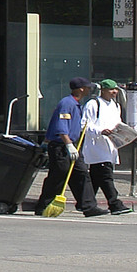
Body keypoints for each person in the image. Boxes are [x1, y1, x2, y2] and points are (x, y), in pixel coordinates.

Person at [36, 77, 101, 216]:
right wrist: (69, 145)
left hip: (73, 145)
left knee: (82, 174)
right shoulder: (67, 103)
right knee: (58, 176)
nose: (89, 90)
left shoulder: (77, 105)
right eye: (87, 87)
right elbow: (61, 127)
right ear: (81, 89)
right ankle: (44, 206)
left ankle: (89, 206)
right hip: (62, 147)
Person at [81, 79, 133, 215]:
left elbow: (118, 124)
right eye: (111, 89)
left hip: (111, 146)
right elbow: (84, 125)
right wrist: (100, 131)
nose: (114, 92)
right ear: (102, 90)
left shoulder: (116, 106)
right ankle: (114, 203)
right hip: (97, 147)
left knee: (96, 178)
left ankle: (85, 202)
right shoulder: (93, 104)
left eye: (115, 89)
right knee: (106, 176)